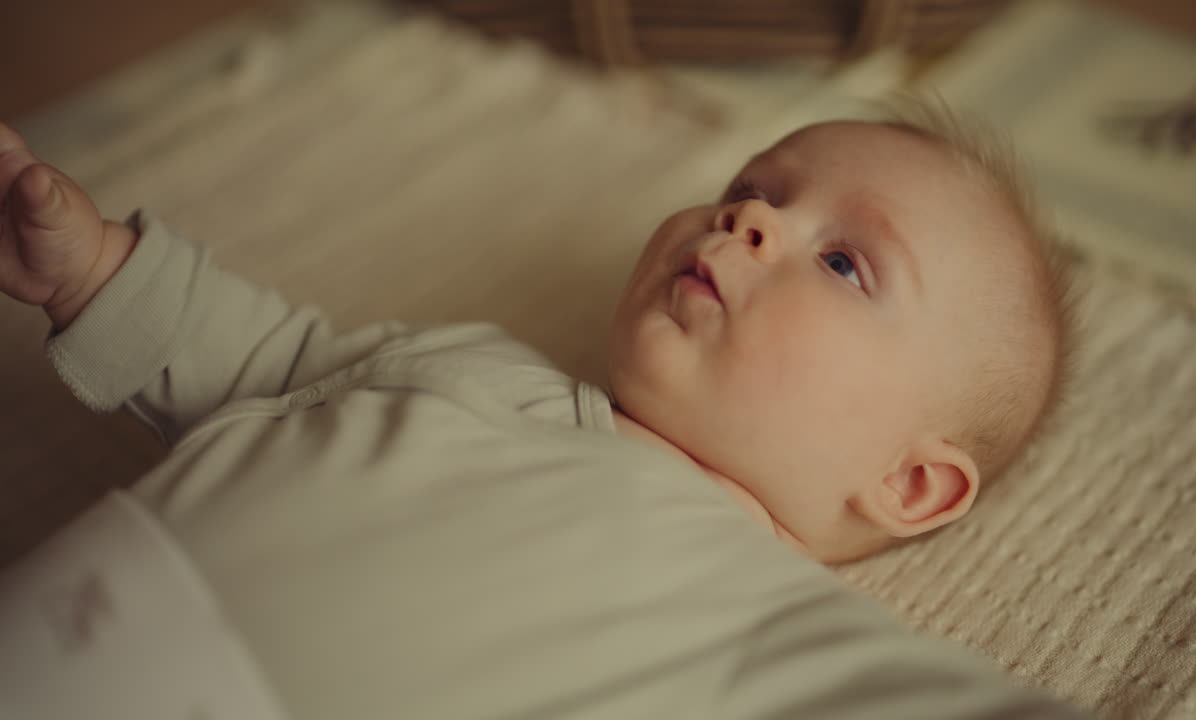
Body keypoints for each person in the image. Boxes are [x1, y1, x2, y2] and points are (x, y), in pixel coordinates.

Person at [0, 102, 1083, 719]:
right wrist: (96, 271)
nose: (749, 217)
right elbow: (268, 361)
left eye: (845, 262)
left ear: (907, 483)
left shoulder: (766, 625)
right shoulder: (469, 365)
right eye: (753, 188)